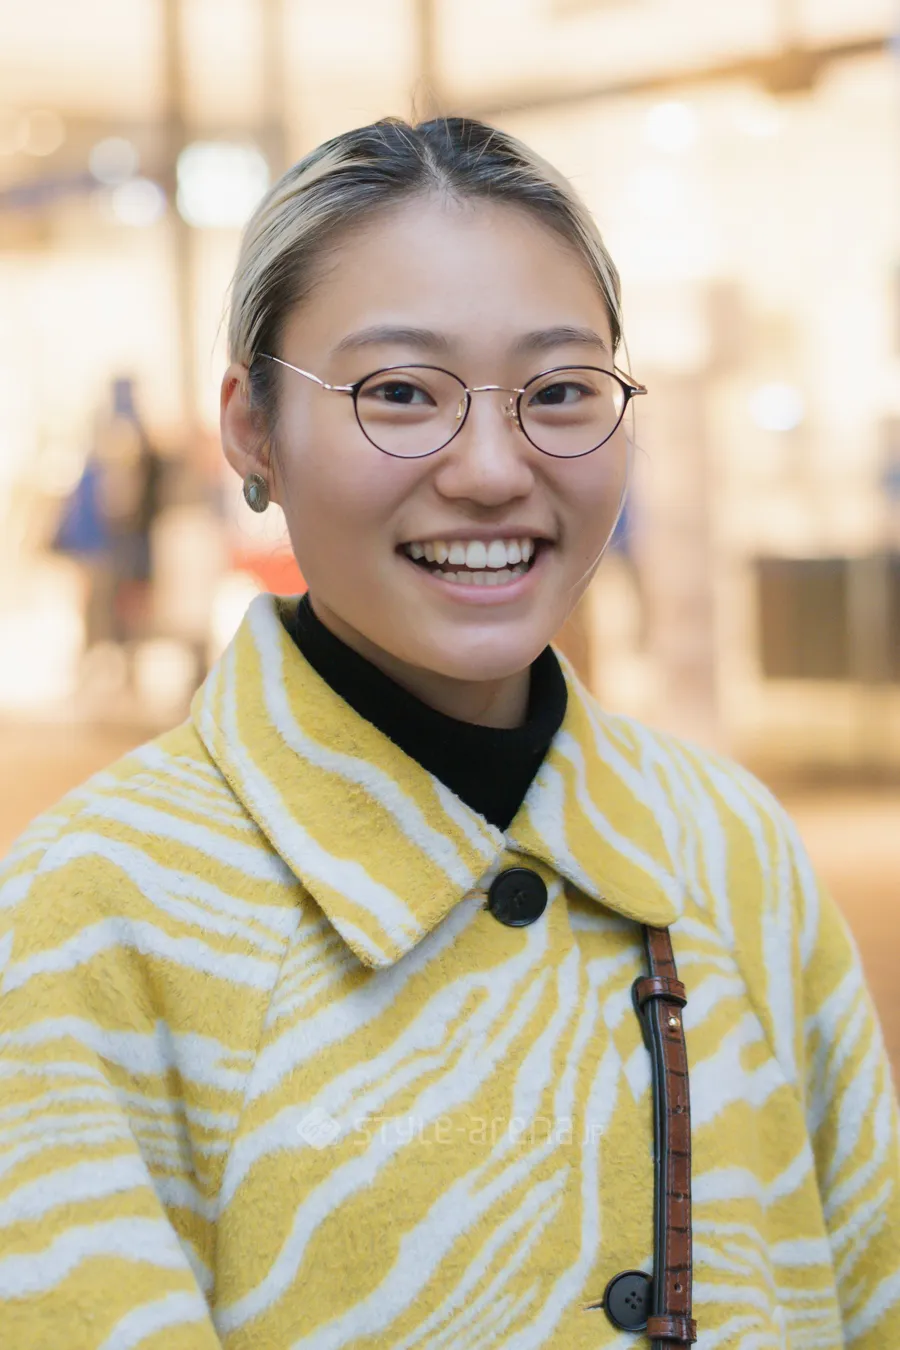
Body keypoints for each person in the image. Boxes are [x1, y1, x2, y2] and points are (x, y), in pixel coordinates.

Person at [1, 117, 897, 1350]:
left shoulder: (727, 845)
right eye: (401, 394)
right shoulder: (93, 914)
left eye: (560, 392)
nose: (491, 470)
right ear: (252, 427)